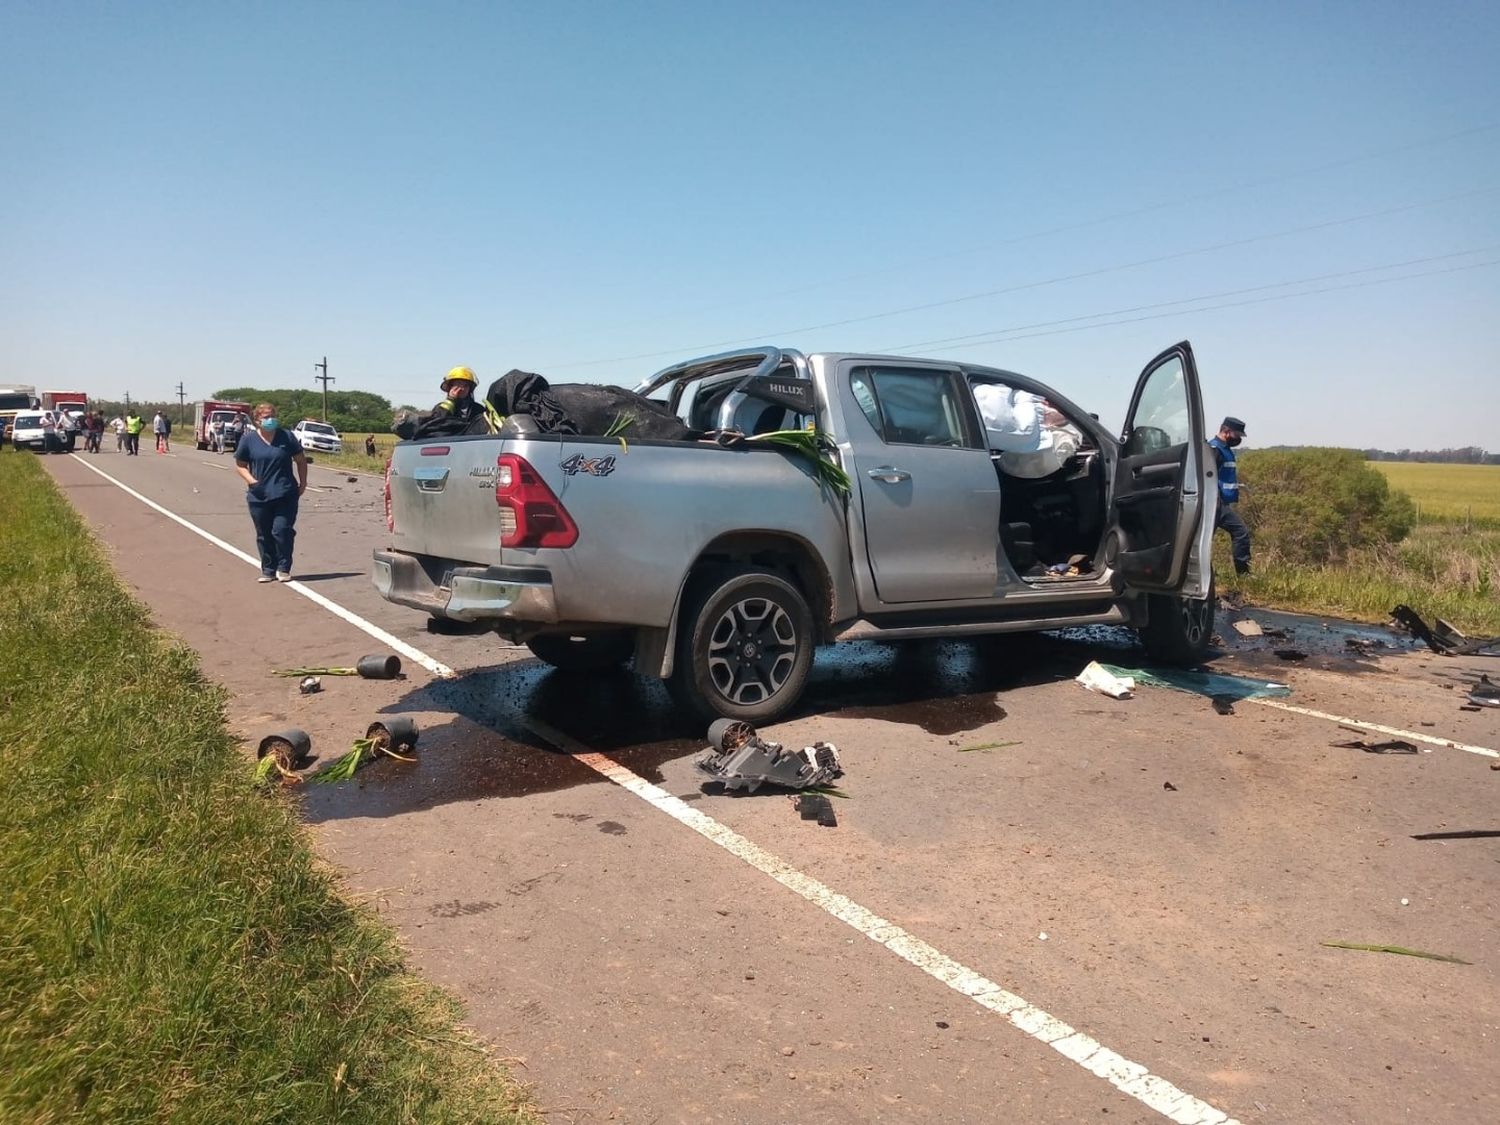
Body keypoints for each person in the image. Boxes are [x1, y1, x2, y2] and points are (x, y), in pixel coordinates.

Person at [234, 402, 308, 583]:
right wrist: (252, 482)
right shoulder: (248, 440)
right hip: (259, 495)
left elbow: (301, 460)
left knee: (282, 530)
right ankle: (268, 569)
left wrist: (303, 482)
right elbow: (240, 465)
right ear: (257, 420)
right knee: (264, 533)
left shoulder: (287, 437)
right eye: (266, 417)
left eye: (272, 415)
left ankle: (283, 567)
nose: (270, 419)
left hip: (285, 493)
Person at [1209, 416, 1252, 575]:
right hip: (1215, 502)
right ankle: (1243, 574)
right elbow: (1207, 477)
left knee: (1205, 540)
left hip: (1219, 503)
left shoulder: (1224, 449)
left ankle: (1208, 574)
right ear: (1227, 431)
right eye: (1237, 435)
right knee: (1241, 532)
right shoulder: (1214, 449)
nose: (1239, 439)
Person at [425, 366, 504, 434]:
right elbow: (435, 425)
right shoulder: (440, 408)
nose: (462, 389)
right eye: (458, 384)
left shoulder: (478, 409)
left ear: (470, 389)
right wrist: (450, 400)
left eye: (466, 386)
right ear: (450, 387)